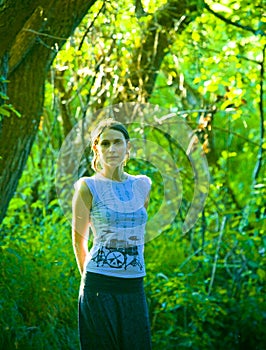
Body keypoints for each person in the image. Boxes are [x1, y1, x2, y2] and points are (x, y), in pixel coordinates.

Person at [72, 118, 152, 350]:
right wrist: (89, 279)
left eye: (117, 142)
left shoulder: (143, 185)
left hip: (134, 283)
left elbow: (135, 228)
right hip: (100, 283)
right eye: (105, 143)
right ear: (96, 148)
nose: (111, 149)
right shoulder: (88, 186)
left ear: (128, 146)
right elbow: (79, 240)